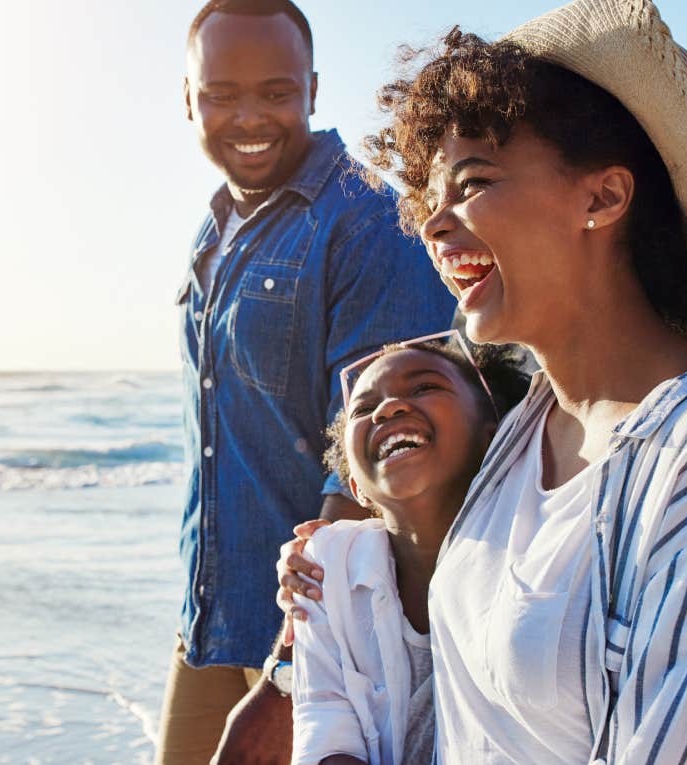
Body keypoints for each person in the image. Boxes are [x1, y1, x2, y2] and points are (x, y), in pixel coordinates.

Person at [276, 1, 687, 762]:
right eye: (429, 202)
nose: (433, 226)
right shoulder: (525, 430)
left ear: (601, 197)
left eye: (470, 183)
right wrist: (337, 567)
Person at [162, 1, 458, 762]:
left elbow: (378, 460)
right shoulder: (217, 227)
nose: (249, 115)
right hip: (212, 621)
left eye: (276, 91)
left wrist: (291, 668)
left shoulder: (365, 220)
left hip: (318, 648)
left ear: (314, 90)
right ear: (189, 98)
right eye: (223, 93)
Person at [292, 335, 529, 765]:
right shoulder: (326, 566)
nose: (388, 408)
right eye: (363, 409)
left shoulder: (533, 561)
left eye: (425, 387)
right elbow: (324, 722)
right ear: (355, 488)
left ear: (493, 437)